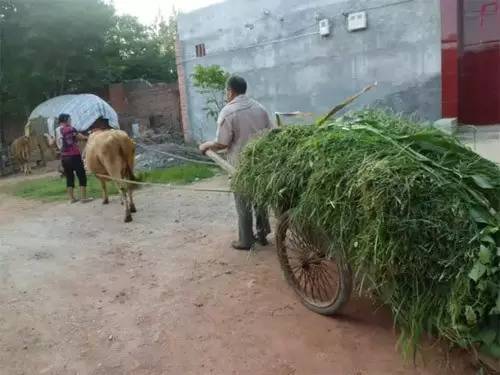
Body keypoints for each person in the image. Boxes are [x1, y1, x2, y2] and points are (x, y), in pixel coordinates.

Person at [200, 75, 273, 251]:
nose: (226, 94)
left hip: (240, 164)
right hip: (261, 161)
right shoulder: (260, 108)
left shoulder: (228, 111)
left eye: (227, 91)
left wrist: (206, 145)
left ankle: (246, 240)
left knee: (243, 201)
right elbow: (271, 133)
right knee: (260, 197)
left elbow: (222, 143)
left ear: (230, 91)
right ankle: (262, 234)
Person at [57, 114, 92, 204]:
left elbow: (53, 142)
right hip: (74, 156)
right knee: (81, 175)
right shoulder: (70, 128)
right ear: (65, 120)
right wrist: (87, 137)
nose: (70, 120)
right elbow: (78, 136)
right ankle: (83, 198)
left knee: (69, 177)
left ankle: (72, 199)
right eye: (69, 119)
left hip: (64, 157)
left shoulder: (57, 130)